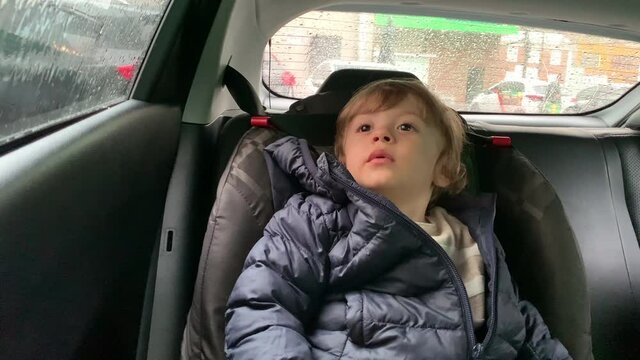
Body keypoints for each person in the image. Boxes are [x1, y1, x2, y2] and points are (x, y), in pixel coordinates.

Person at [225, 79, 571, 359]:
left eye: (406, 126)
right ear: (342, 160)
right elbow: (264, 308)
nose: (381, 135)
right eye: (364, 127)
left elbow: (517, 323)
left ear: (445, 169)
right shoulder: (315, 219)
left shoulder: (473, 235)